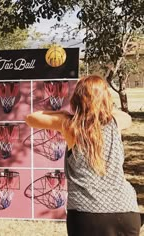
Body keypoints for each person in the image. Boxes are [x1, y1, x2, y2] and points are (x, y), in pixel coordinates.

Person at [25, 75, 141, 236]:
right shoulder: (117, 121)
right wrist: (102, 101)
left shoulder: (69, 124)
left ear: (77, 99)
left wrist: (62, 113)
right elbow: (125, 116)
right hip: (126, 210)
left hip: (86, 211)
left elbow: (31, 118)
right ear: (106, 99)